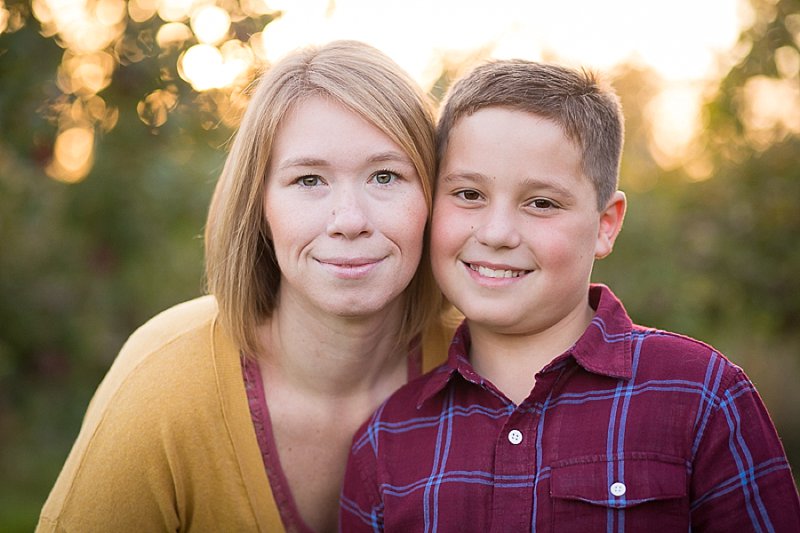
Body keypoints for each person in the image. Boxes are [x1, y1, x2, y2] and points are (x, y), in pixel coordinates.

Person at [340, 59, 800, 531]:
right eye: (469, 194)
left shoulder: (702, 395)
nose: (497, 233)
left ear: (606, 225)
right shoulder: (386, 441)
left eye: (541, 203)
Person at [36, 40, 454, 533]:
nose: (349, 221)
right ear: (259, 207)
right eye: (308, 180)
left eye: (385, 176)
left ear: (433, 197)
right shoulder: (164, 382)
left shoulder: (481, 363)